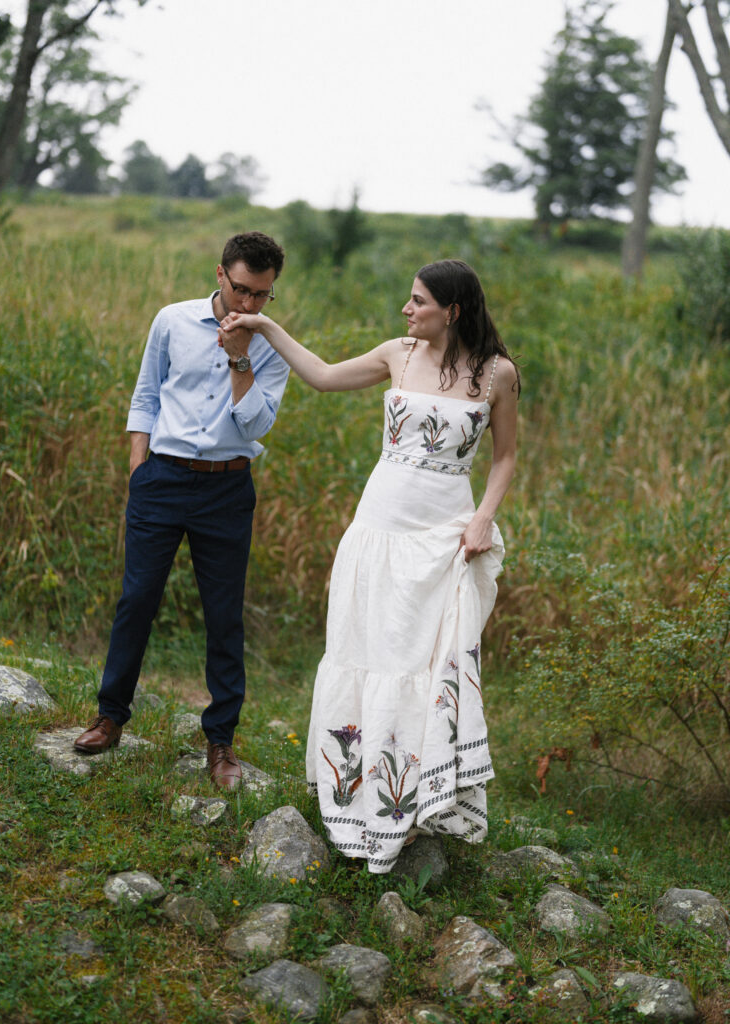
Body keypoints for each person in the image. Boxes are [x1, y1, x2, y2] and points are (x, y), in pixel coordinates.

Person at [221, 257, 519, 871]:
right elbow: (325, 376)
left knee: (425, 662)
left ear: (452, 310)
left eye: (418, 302)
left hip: (443, 535)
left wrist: (483, 517)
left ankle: (415, 801)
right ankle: (356, 794)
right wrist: (265, 327)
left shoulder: (497, 375)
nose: (407, 310)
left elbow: (505, 457)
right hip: (379, 527)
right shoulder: (398, 353)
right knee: (369, 652)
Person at [74, 231, 289, 791]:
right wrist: (138, 469)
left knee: (224, 616)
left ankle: (221, 743)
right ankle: (109, 717)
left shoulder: (272, 344)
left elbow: (258, 425)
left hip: (227, 487)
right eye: (241, 289)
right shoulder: (171, 320)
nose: (248, 304)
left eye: (261, 295)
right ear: (220, 275)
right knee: (137, 598)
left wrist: (240, 357)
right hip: (162, 478)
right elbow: (146, 394)